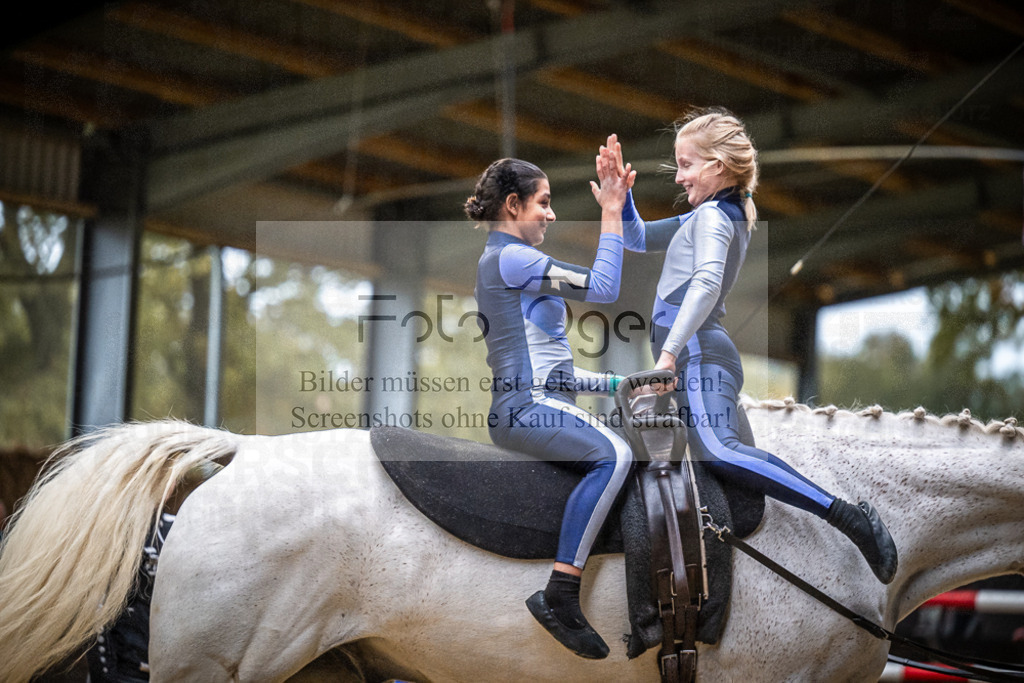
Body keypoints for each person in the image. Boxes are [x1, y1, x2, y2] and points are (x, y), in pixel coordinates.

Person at [621, 107, 899, 584]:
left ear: (718, 167)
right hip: (696, 354)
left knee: (719, 452)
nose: (680, 177)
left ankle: (848, 517)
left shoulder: (712, 217)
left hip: (699, 354)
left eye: (686, 165)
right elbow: (637, 237)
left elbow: (706, 283)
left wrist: (669, 354)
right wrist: (619, 199)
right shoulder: (707, 215)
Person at [465, 136, 636, 659]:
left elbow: (555, 375)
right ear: (513, 206)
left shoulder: (514, 264)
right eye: (543, 202)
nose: (552, 214)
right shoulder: (511, 258)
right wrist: (612, 210)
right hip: (525, 410)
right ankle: (562, 592)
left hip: (537, 400)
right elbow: (605, 289)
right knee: (617, 454)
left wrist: (619, 383)